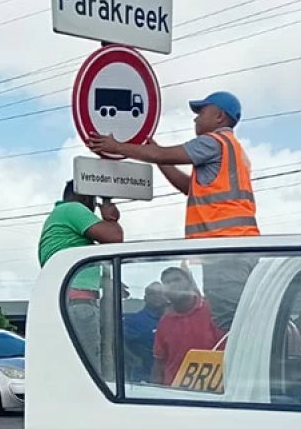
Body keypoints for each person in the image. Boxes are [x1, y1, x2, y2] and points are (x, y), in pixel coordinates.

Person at [87, 91, 260, 329]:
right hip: (243, 247)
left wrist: (117, 146)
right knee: (243, 319)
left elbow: (165, 155)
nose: (195, 119)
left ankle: (244, 366)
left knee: (229, 322)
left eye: (201, 112)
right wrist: (157, 156)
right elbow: (187, 185)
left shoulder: (213, 142)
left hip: (225, 248)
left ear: (219, 116)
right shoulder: (234, 150)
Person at [38, 180, 123, 369]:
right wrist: (110, 218)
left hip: (68, 300)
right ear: (86, 197)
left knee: (75, 363)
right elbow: (114, 237)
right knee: (89, 368)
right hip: (80, 303)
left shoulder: (59, 216)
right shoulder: (72, 209)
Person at [152, 267, 224, 386]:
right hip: (172, 394)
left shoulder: (212, 311)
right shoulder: (164, 322)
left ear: (189, 283)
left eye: (177, 280)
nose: (172, 285)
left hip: (211, 393)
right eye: (167, 283)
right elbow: (158, 363)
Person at [122, 282, 168, 382]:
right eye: (153, 293)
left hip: (170, 380)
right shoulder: (134, 320)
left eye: (161, 293)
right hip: (142, 381)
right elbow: (118, 343)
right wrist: (133, 358)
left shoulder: (174, 321)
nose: (158, 297)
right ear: (145, 298)